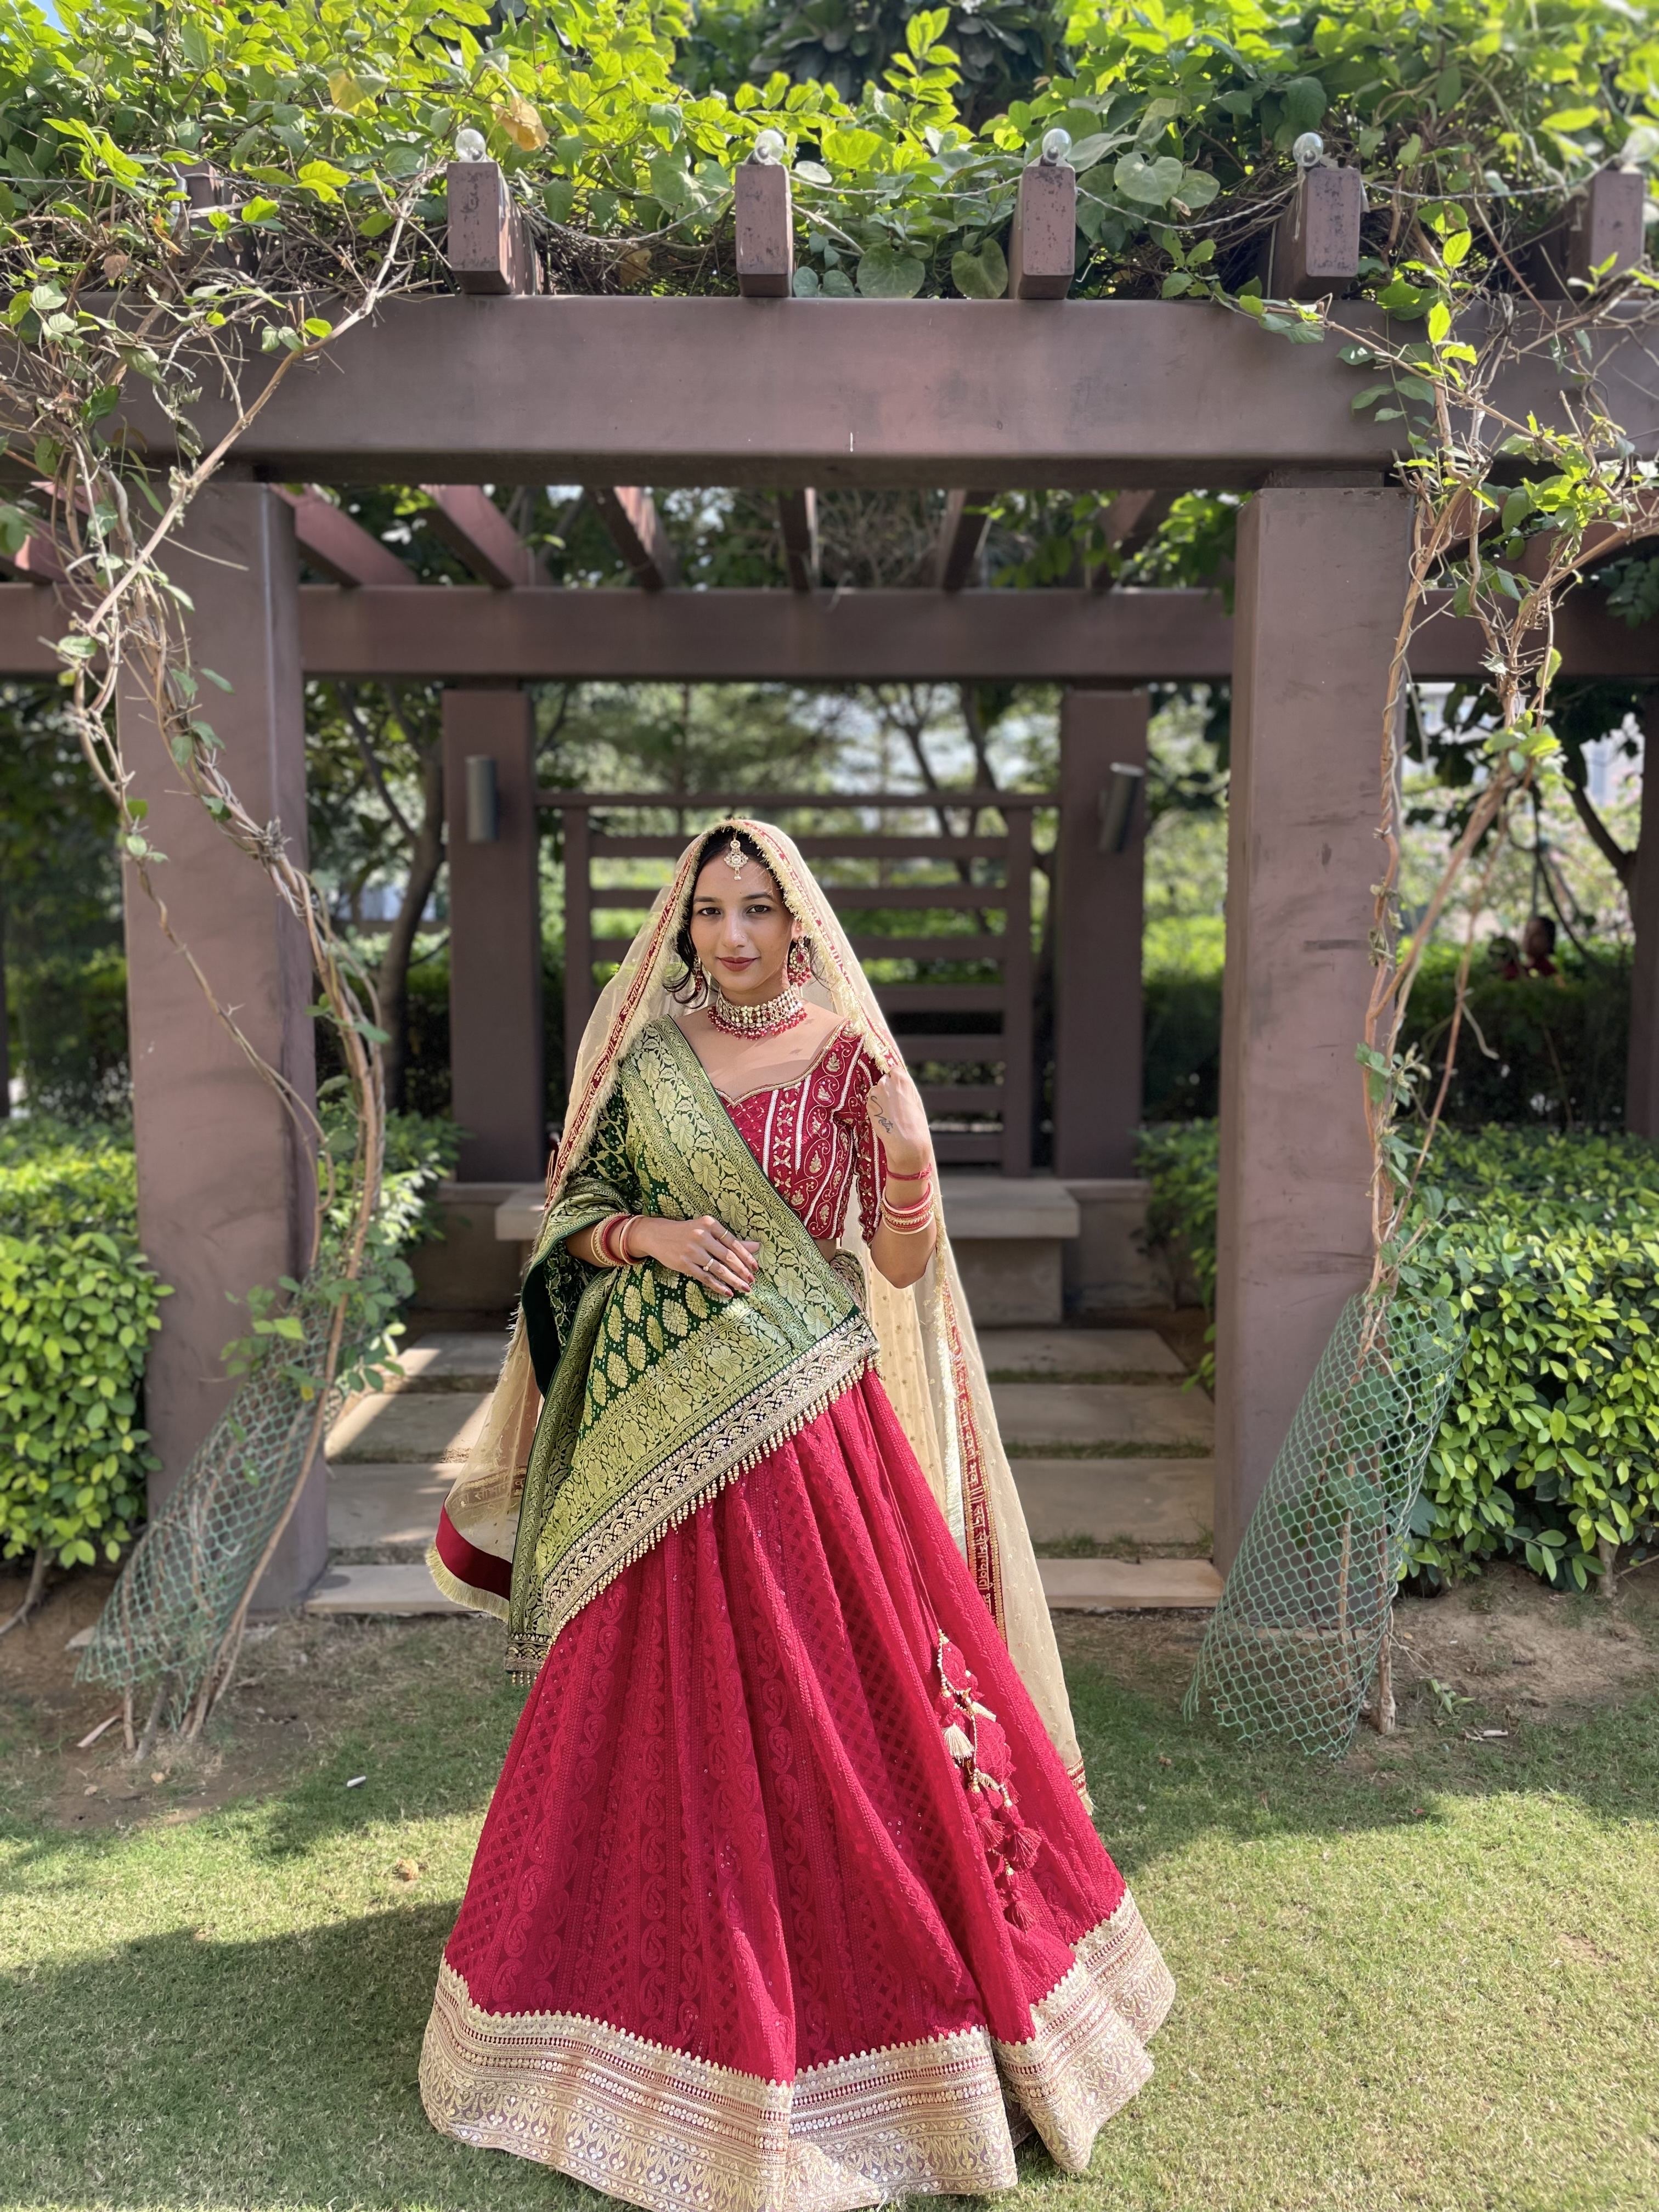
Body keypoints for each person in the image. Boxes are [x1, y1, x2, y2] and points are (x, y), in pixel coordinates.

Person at [419, 819, 1173, 2210]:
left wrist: (904, 1150)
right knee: (646, 1721)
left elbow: (898, 1261)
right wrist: (644, 1236)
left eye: (759, 909)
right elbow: (573, 1212)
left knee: (845, 1705)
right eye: (710, 912)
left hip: (811, 1422)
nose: (735, 936)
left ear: (799, 921)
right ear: (685, 926)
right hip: (653, 1432)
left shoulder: (845, 1056)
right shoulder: (644, 1062)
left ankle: (893, 2000)